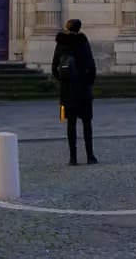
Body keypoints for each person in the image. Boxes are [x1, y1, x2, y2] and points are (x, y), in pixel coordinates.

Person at [51, 18, 97, 165]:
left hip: (67, 92)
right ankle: (90, 156)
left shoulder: (61, 43)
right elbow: (92, 66)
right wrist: (89, 83)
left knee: (70, 125)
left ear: (67, 27)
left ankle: (73, 158)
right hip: (83, 89)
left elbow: (54, 68)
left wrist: (63, 81)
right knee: (87, 124)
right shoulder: (83, 43)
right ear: (79, 28)